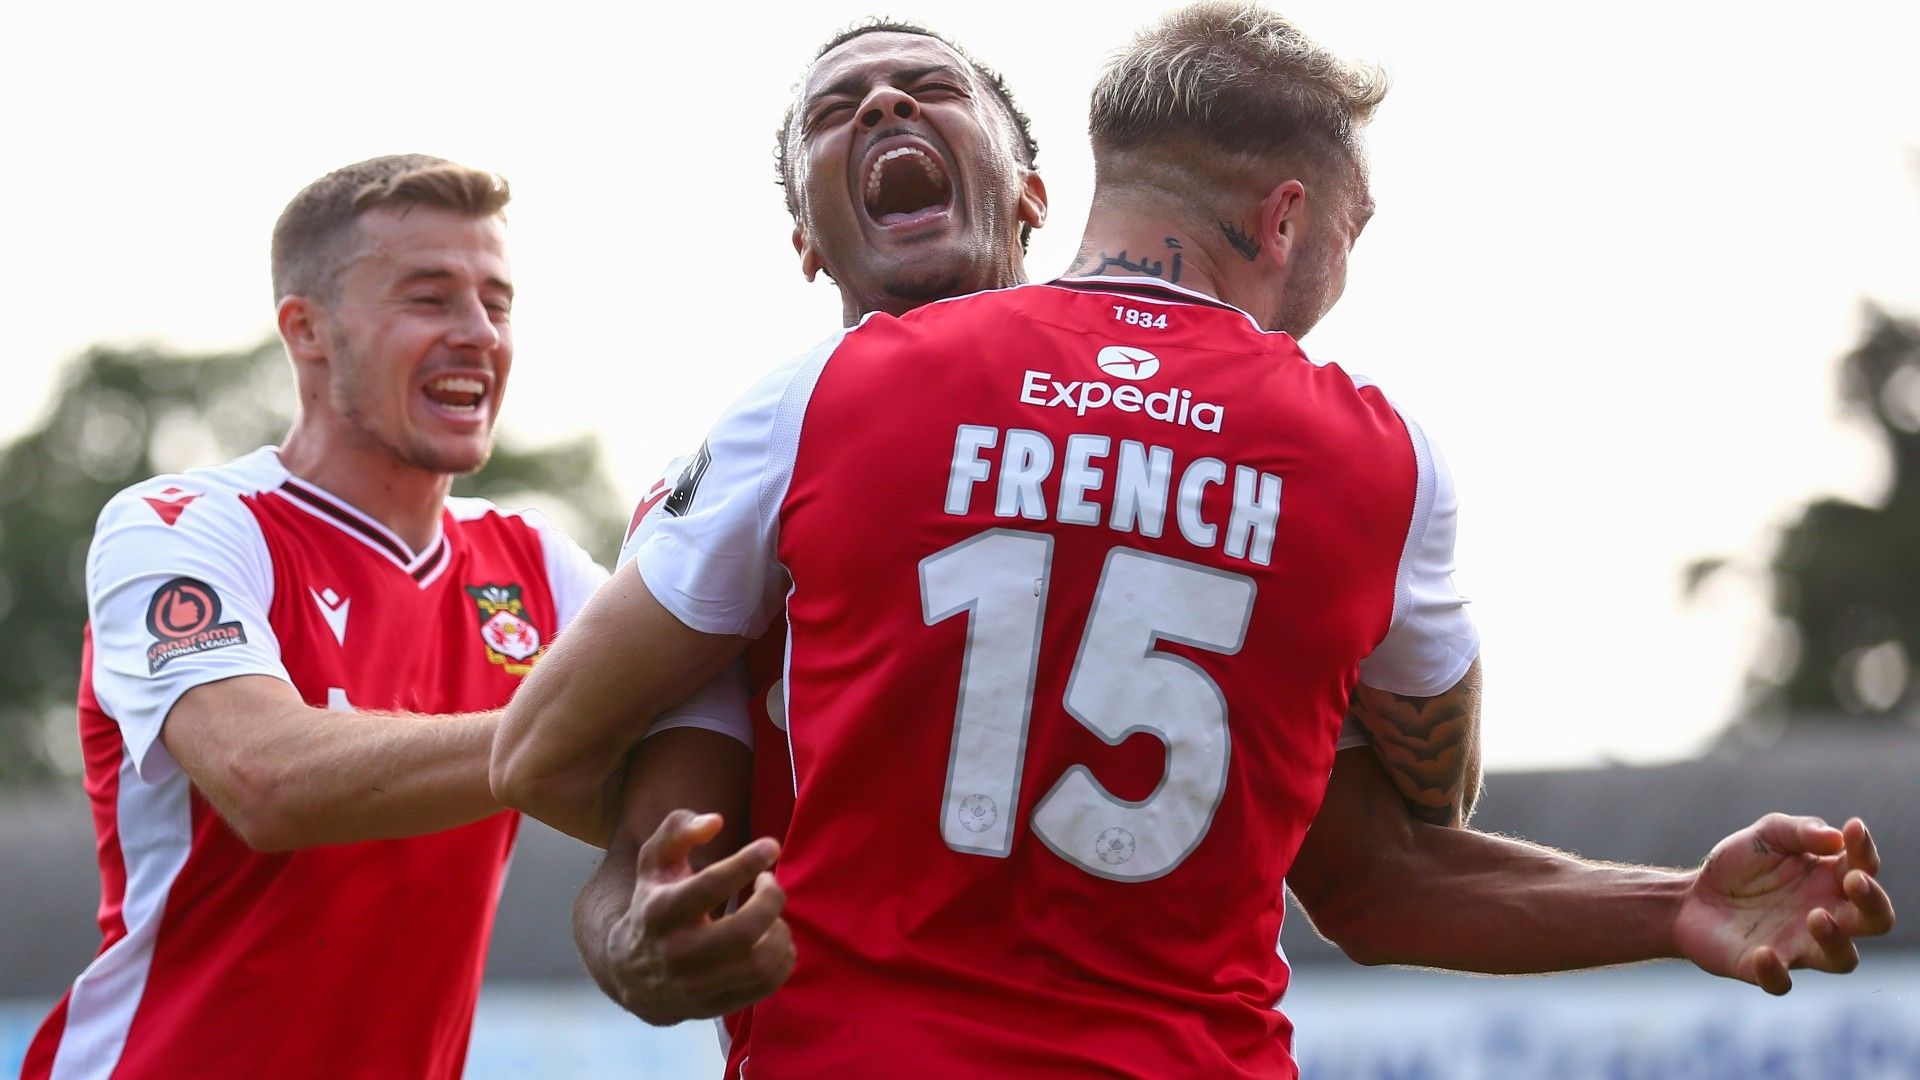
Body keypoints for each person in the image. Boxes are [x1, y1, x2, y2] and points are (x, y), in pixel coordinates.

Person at [498, 10, 1894, 1076]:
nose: (882, 104)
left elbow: (542, 758)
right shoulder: (1360, 455)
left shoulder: (811, 413)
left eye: (928, 85)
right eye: (834, 104)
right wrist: (635, 940)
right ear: (1289, 220)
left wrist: (1673, 903)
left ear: (1041, 193)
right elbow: (1410, 840)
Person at [21, 155, 620, 1079]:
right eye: (429, 298)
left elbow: (671, 774)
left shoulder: (538, 565)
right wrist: (559, 735)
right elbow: (266, 779)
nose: (478, 333)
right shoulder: (181, 526)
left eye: (497, 304)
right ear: (308, 330)